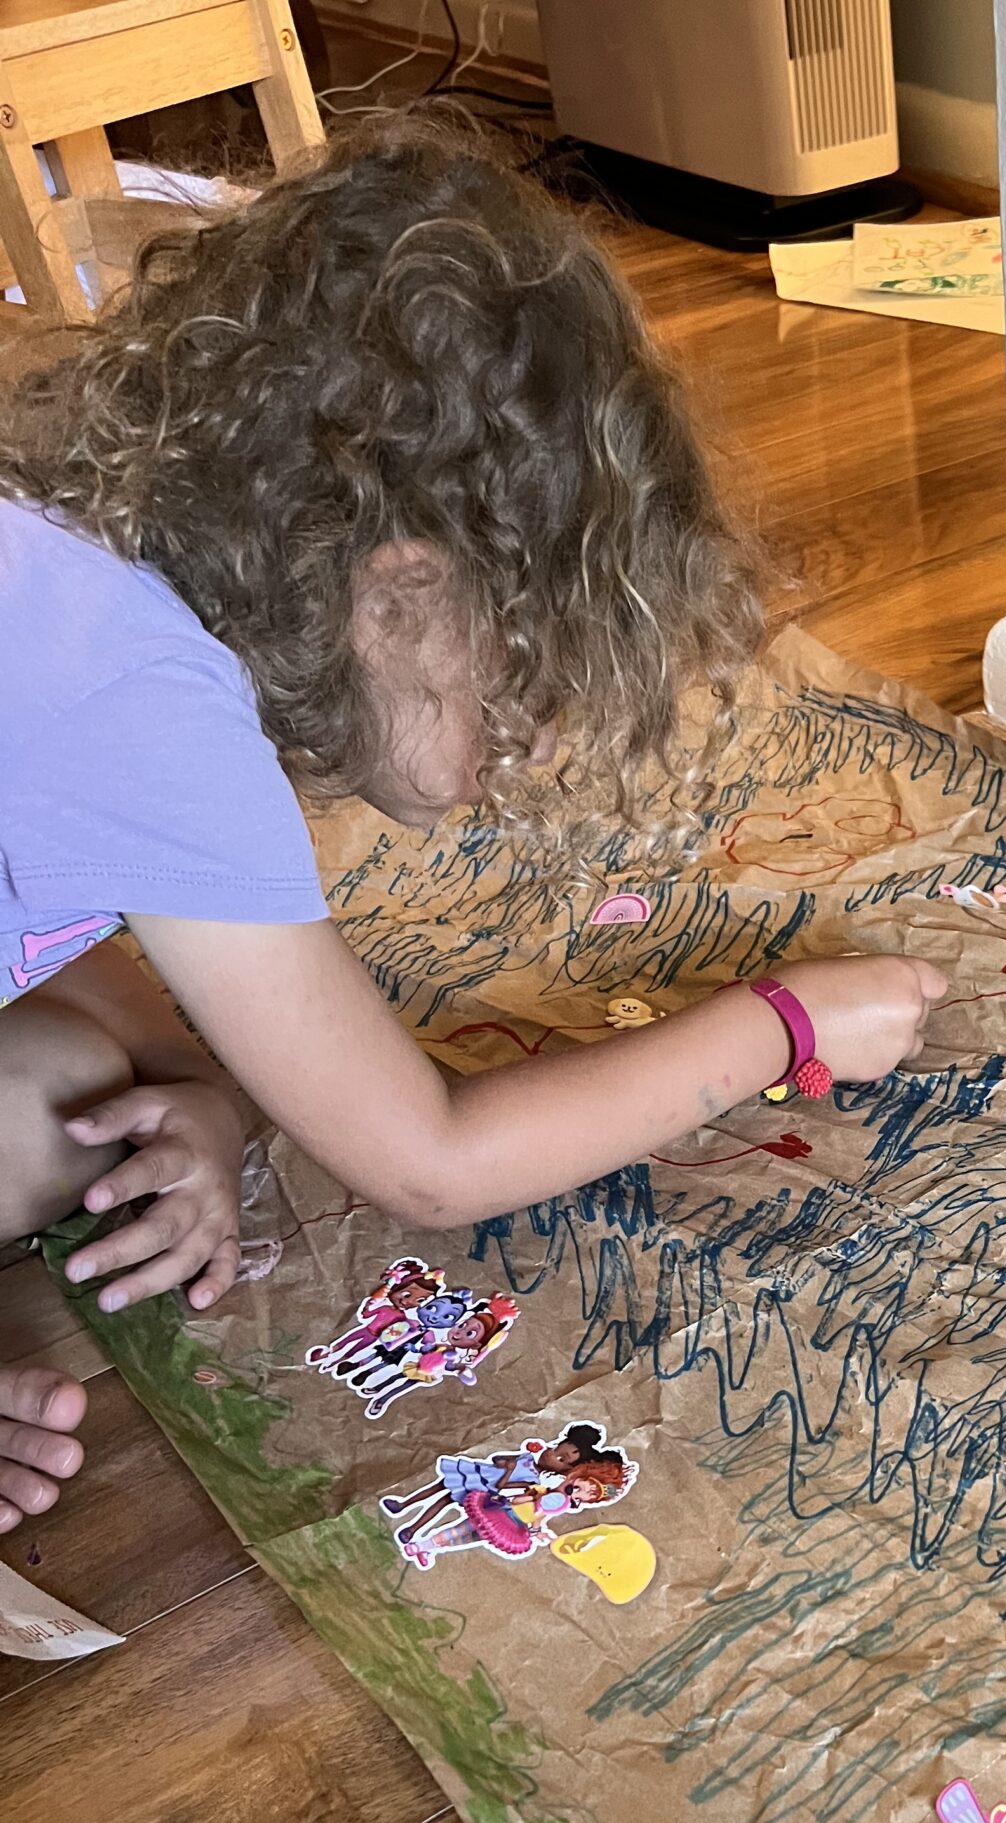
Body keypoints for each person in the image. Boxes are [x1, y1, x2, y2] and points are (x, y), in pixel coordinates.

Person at [0, 115, 944, 1533]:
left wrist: (195, 1088)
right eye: (530, 679)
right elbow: (430, 1165)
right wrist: (789, 1025)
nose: (536, 748)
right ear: (399, 589)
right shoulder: (145, 696)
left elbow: (54, 913)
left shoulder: (85, 564)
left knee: (79, 1097)